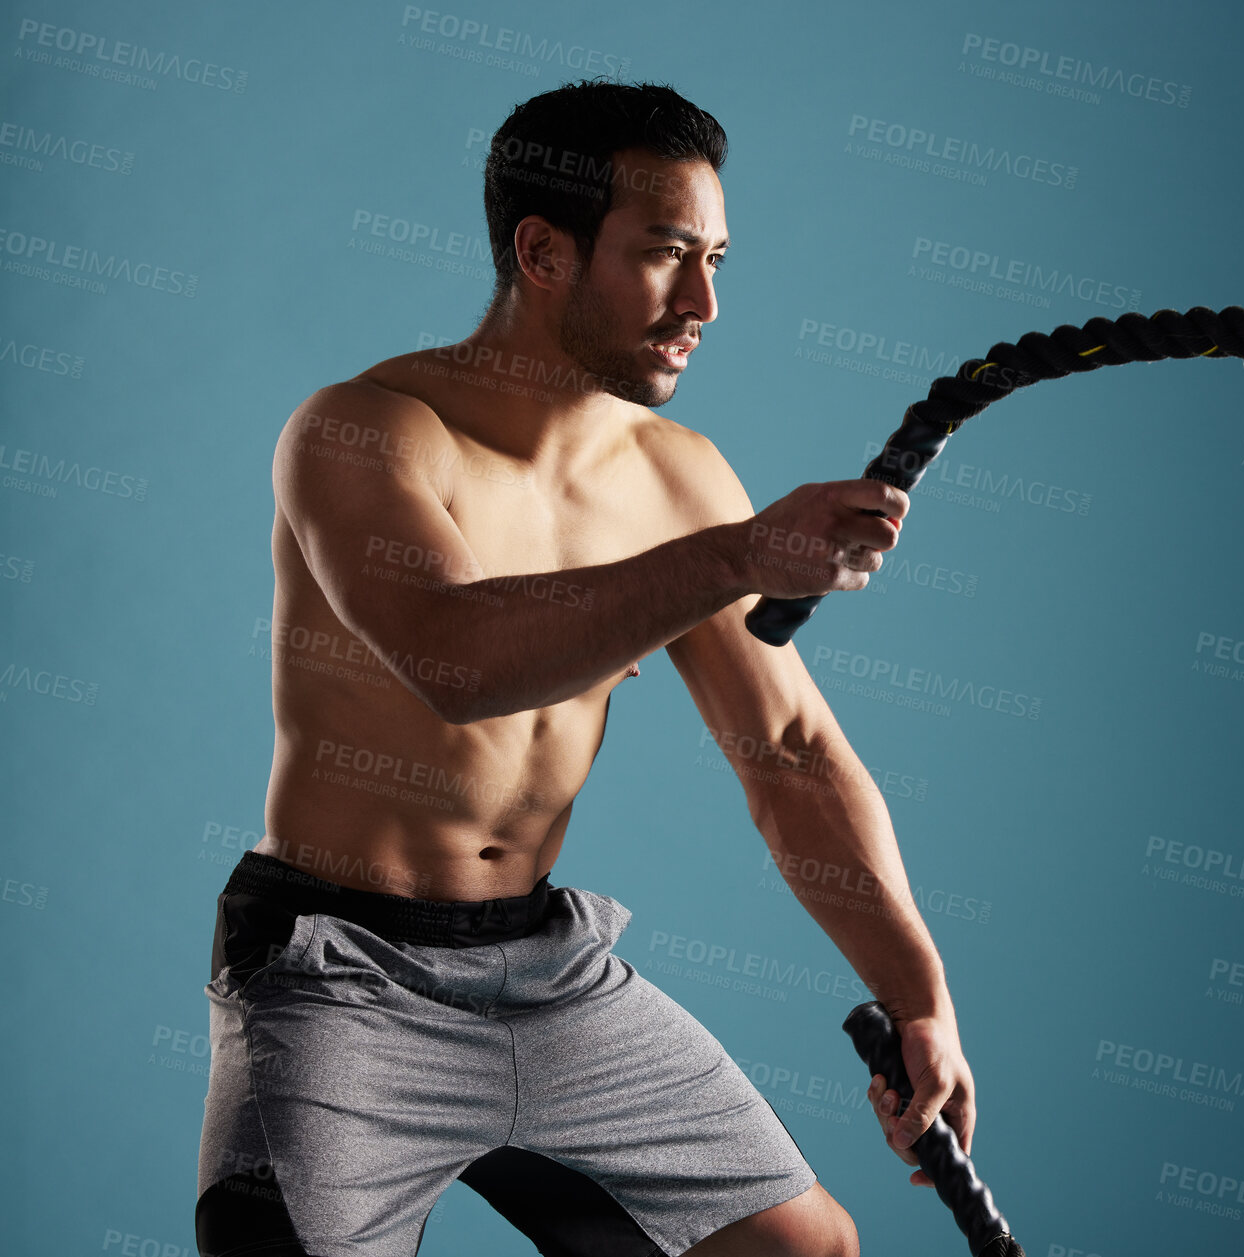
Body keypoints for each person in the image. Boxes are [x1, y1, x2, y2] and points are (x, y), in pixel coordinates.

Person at [196, 78, 974, 1257]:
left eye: (715, 257)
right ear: (542, 251)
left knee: (806, 1250)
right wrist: (738, 554)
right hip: (339, 970)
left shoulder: (676, 476)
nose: (703, 300)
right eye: (666, 255)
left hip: (545, 968)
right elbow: (453, 659)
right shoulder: (363, 431)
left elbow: (791, 754)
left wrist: (919, 997)